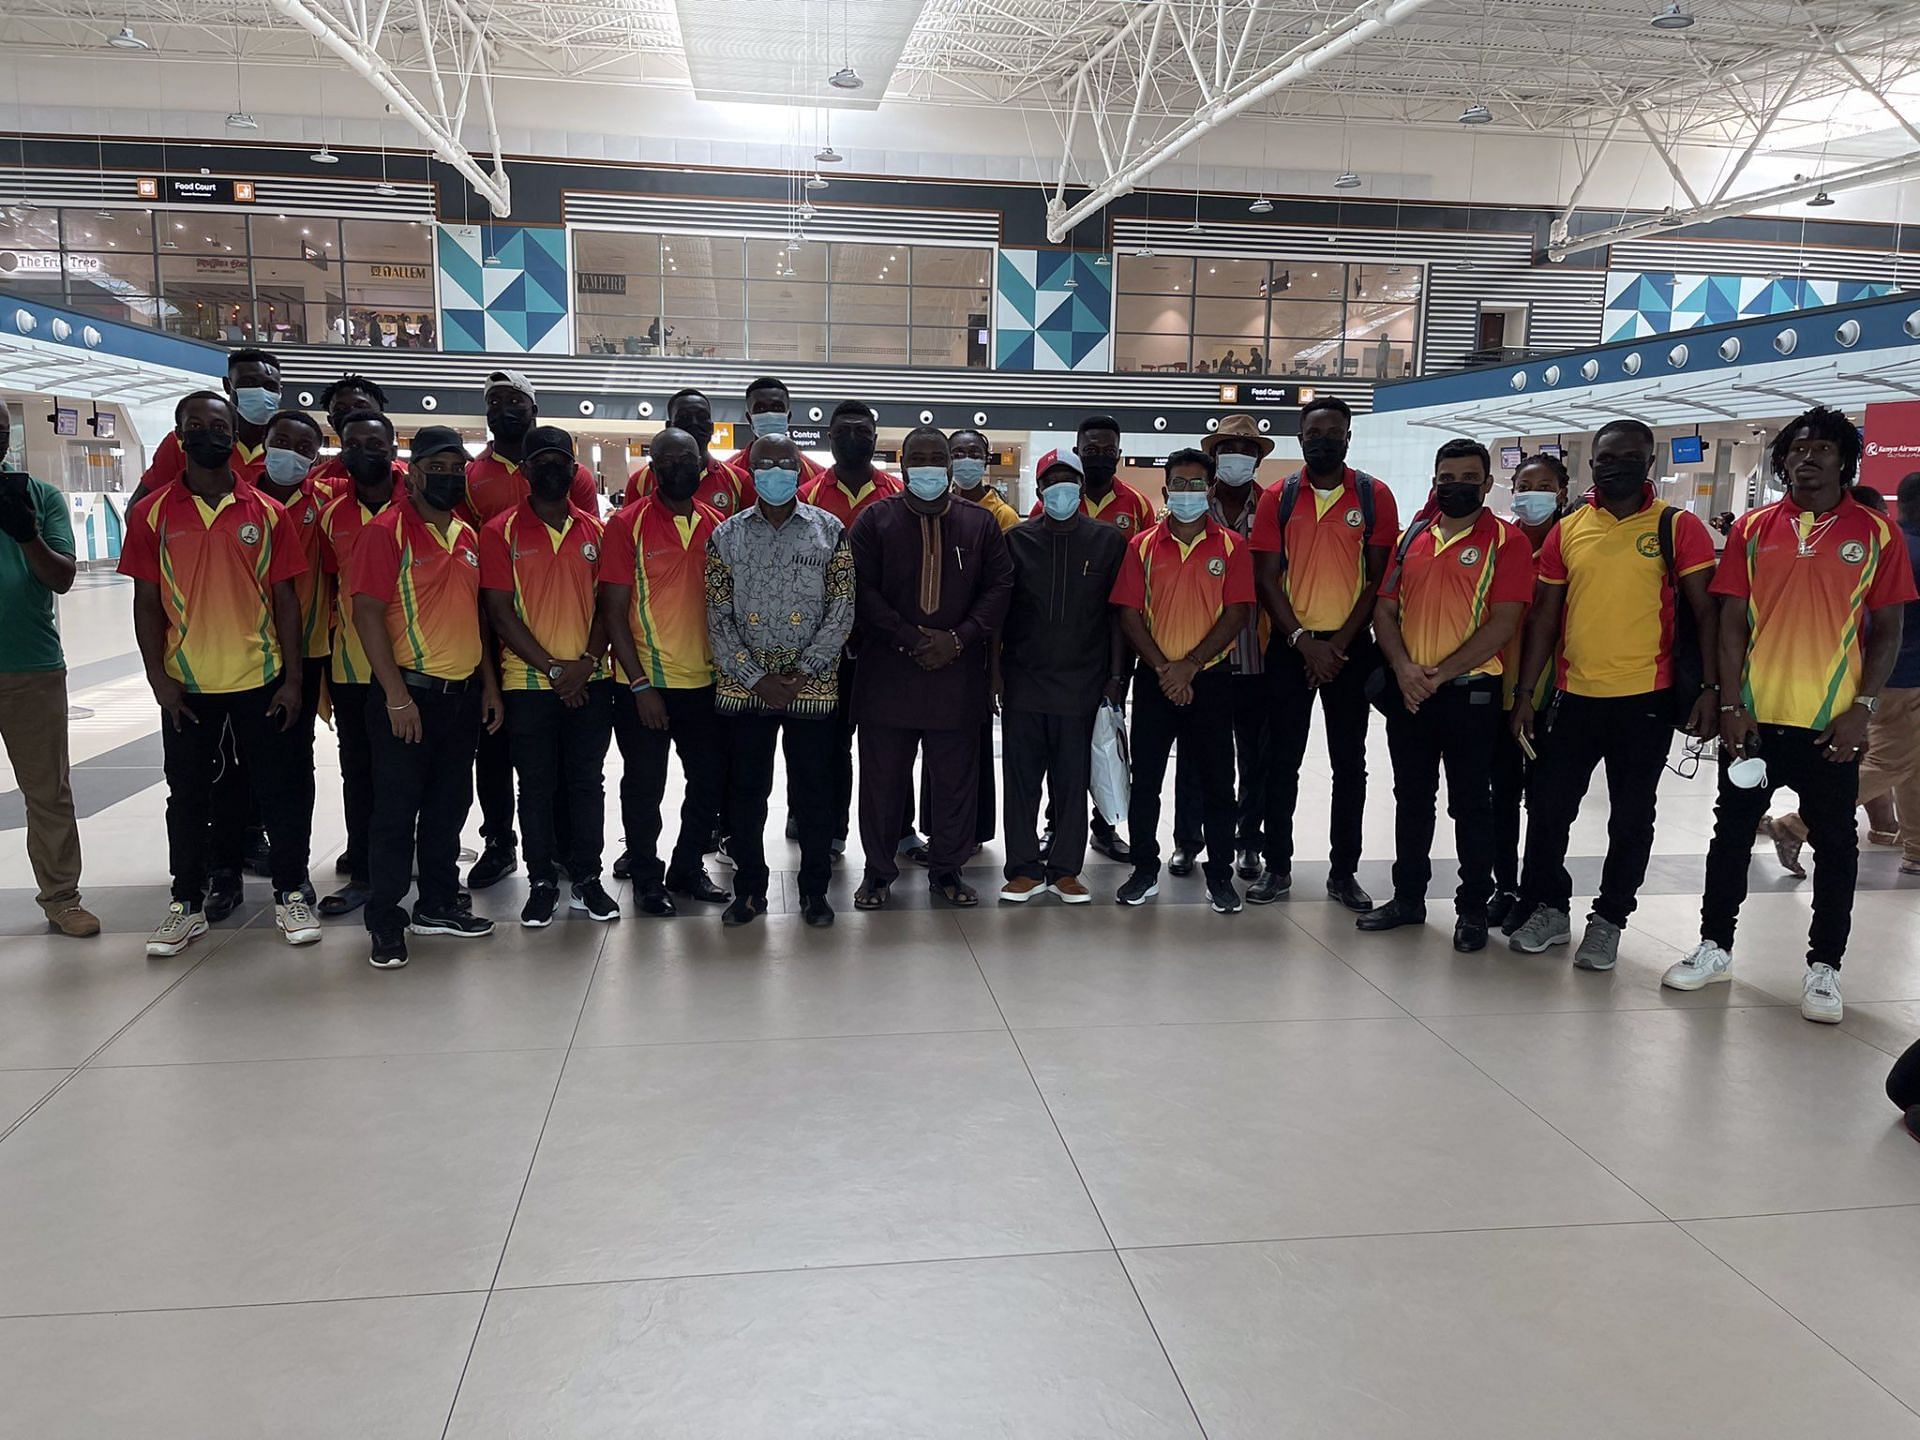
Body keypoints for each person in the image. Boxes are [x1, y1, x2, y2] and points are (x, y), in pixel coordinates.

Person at [1665, 408, 1916, 1022]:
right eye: (1799, 449)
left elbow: (1888, 629)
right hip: (1752, 719)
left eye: (1824, 449)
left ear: (1845, 461)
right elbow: (1729, 620)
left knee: (1836, 846)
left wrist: (1862, 708)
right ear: (1784, 459)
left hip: (1832, 724)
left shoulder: (1877, 534)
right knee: (1729, 838)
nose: (1809, 458)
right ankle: (1714, 947)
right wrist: (1729, 702)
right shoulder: (1753, 528)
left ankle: (1824, 968)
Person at [1507, 419, 1720, 971]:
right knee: (1549, 810)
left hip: (1646, 700)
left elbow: (1706, 613)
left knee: (1630, 817)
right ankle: (1551, 908)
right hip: (1573, 696)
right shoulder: (1568, 529)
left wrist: (1715, 690)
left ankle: (1609, 920)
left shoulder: (1678, 527)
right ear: (1592, 463)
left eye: (1628, 457)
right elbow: (1547, 618)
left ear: (1648, 462)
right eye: (1605, 457)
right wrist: (1527, 692)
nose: (1615, 465)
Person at [120, 390, 318, 956]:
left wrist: (294, 679)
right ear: (180, 435)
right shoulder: (151, 513)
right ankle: (187, 901)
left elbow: (287, 602)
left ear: (235, 437)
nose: (208, 433)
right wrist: (159, 678)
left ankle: (289, 891)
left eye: (219, 425)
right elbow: (146, 602)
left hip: (260, 678)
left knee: (280, 791)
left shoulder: (268, 512)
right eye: (196, 425)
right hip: (189, 686)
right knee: (187, 797)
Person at [1364, 439, 1535, 950]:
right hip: (1411, 693)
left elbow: (1504, 623)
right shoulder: (1413, 536)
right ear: (1434, 481)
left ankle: (1471, 910)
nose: (1455, 486)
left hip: (1470, 694)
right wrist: (1402, 668)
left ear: (1486, 484)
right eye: (1447, 477)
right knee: (1411, 800)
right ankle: (1408, 898)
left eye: (1467, 478)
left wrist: (1435, 676)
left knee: (1471, 805)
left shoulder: (1508, 542)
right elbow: (1384, 610)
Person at [349, 425, 501, 969]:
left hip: (460, 699)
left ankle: (438, 903)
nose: (449, 476)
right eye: (437, 467)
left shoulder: (466, 534)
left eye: (457, 467)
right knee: (394, 812)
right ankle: (386, 919)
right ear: (411, 475)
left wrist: (487, 685)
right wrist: (394, 696)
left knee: (447, 807)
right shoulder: (385, 531)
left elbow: (475, 617)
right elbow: (365, 613)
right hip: (407, 698)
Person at [848, 426, 1013, 910]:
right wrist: (910, 637)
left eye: (935, 458)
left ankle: (947, 869)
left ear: (948, 465)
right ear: (902, 467)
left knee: (955, 783)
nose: (926, 467)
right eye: (916, 458)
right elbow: (860, 590)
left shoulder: (979, 524)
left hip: (956, 676)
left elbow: (1000, 588)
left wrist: (958, 638)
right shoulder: (873, 521)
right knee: (881, 784)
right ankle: (878, 873)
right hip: (887, 677)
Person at [1249, 395, 1398, 911]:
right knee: (1281, 762)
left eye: (1333, 432)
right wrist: (1302, 642)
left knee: (1349, 765)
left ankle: (1343, 872)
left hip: (1349, 649)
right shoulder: (1278, 497)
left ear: (1348, 437)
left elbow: (1379, 579)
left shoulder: (1375, 496)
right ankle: (1278, 868)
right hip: (1291, 647)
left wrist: (1335, 646)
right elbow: (1266, 578)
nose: (1323, 440)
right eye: (1314, 433)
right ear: (1301, 440)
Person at [706, 434, 856, 927]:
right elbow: (717, 614)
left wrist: (804, 669)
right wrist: (755, 676)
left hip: (809, 687)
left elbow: (842, 609)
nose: (776, 472)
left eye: (785, 464)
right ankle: (749, 890)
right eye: (765, 464)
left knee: (814, 792)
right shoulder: (725, 536)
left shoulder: (829, 530)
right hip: (744, 690)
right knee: (745, 793)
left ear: (800, 470)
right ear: (750, 471)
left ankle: (815, 891)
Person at [462, 369, 599, 892]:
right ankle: (501, 843)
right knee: (498, 755)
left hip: (566, 634)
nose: (504, 408)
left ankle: (568, 853)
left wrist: (579, 661)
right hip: (497, 634)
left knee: (573, 770)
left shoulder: (581, 488)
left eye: (514, 399)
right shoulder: (474, 477)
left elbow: (580, 557)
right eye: (494, 401)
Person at [479, 425, 620, 927]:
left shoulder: (597, 531)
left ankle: (586, 879)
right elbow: (498, 611)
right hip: (529, 685)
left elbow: (609, 606)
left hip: (590, 681)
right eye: (541, 460)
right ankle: (541, 882)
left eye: (561, 460)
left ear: (575, 467)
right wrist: (555, 669)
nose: (552, 468)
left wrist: (585, 663)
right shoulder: (499, 532)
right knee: (535, 787)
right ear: (526, 469)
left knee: (587, 783)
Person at [1110, 447, 1255, 914]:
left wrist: (1190, 665)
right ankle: (1144, 869)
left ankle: (1219, 876)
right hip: (1155, 681)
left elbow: (1238, 613)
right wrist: (1165, 670)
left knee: (1217, 781)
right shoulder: (1142, 546)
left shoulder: (1232, 546)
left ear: (1209, 489)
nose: (1187, 492)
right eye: (1179, 484)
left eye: (1197, 484)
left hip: (1210, 680)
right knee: (1147, 779)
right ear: (1166, 489)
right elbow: (1129, 614)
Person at [599, 427, 731, 916]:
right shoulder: (624, 525)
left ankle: (686, 867)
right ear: (652, 468)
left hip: (706, 683)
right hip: (645, 686)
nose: (678, 467)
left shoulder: (719, 524)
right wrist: (638, 684)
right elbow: (612, 611)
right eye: (667, 460)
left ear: (702, 465)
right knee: (644, 785)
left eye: (688, 459)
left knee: (708, 782)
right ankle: (648, 877)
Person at [1769, 471, 1920, 876]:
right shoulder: (1905, 546)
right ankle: (1794, 825)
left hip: (1875, 670)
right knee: (1889, 762)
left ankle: (1917, 847)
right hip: (1904, 676)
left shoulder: (1886, 541)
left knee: (1912, 760)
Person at [996, 449, 1129, 903]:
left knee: (1072, 780)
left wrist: (1116, 677)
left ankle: (1066, 869)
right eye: (1052, 482)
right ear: (1039, 491)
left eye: (1069, 481)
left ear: (1081, 488)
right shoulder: (1016, 540)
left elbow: (1117, 617)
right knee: (1021, 780)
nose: (1061, 490)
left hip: (1083, 684)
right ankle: (1023, 869)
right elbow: (1000, 616)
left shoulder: (1108, 541)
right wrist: (996, 676)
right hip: (1024, 682)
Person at [1028, 415, 1157, 865]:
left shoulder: (1138, 505)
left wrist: (1121, 668)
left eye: (1107, 448)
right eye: (1091, 447)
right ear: (1078, 449)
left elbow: (1142, 573)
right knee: (1058, 745)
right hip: (1061, 647)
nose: (1099, 453)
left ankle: (1104, 825)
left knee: (1103, 739)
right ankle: (1055, 825)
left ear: (1118, 453)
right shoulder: (1052, 502)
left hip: (1114, 641)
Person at [0, 406, 97, 937]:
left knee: (47, 790)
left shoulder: (40, 497)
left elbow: (61, 578)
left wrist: (25, 533)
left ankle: (62, 897)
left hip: (30, 665)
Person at [800, 400, 902, 853]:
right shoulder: (806, 495)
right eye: (844, 431)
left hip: (884, 643)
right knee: (829, 744)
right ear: (829, 438)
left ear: (876, 441)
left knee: (892, 744)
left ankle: (900, 830)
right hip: (826, 645)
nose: (854, 438)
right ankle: (832, 828)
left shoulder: (898, 492)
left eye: (863, 431)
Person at [1172, 414, 1270, 881]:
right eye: (1228, 448)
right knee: (1196, 756)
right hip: (1200, 660)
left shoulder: (1274, 508)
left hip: (1255, 651)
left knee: (1254, 756)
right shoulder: (1188, 507)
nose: (1238, 457)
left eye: (1247, 450)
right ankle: (1188, 843)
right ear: (1213, 458)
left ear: (1257, 459)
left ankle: (1248, 842)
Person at [315, 409, 400, 915]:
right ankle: (366, 872)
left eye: (375, 442)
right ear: (340, 452)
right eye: (352, 443)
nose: (364, 451)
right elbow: (327, 589)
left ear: (393, 448)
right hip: (351, 669)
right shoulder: (331, 516)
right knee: (361, 773)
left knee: (416, 774)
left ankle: (424, 864)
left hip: (417, 666)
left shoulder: (424, 508)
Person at [1489, 452, 1570, 931]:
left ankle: (1543, 893)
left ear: (1561, 492)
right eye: (1523, 484)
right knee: (1500, 795)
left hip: (1554, 691)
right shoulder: (1502, 540)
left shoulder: (1572, 541)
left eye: (1543, 485)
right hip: (1501, 684)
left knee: (1546, 802)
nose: (1531, 494)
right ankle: (1506, 885)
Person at [252, 408, 331, 867]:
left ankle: (291, 865)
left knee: (294, 762)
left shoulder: (323, 502)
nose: (292, 455)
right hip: (243, 651)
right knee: (237, 764)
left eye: (305, 449)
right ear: (266, 441)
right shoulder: (236, 495)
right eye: (282, 442)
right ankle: (237, 851)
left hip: (307, 651)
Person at [133, 347, 281, 500]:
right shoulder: (183, 443)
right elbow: (138, 510)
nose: (261, 393)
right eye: (249, 383)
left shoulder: (290, 449)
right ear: (227, 385)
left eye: (270, 387)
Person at [628, 388, 754, 515]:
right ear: (669, 426)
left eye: (702, 417)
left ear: (712, 427)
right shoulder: (641, 481)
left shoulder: (739, 480)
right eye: (684, 417)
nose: (694, 423)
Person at [724, 377, 825, 485]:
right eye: (761, 409)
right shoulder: (728, 475)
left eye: (777, 408)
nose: (769, 414)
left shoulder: (817, 476)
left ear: (788, 417)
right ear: (749, 418)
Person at [311, 374, 394, 492]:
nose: (352, 413)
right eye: (340, 409)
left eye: (361, 406)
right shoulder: (314, 480)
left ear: (379, 414)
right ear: (331, 421)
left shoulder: (410, 479)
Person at [951, 429, 1019, 532]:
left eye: (974, 455)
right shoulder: (942, 508)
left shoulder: (1003, 515)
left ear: (986, 461)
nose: (966, 460)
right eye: (957, 455)